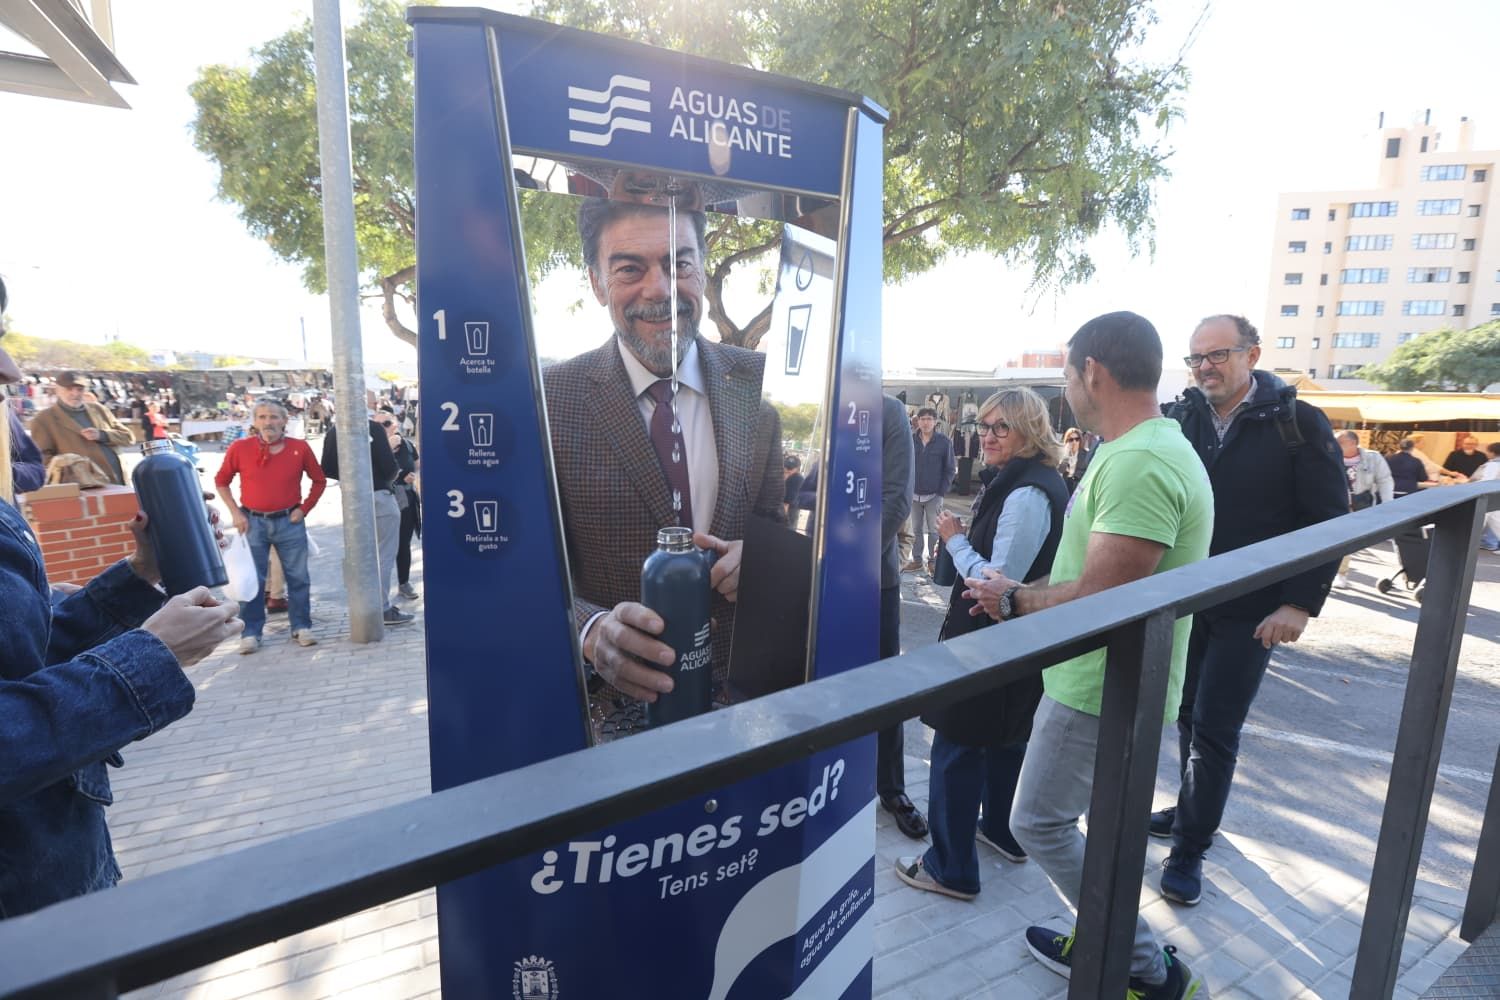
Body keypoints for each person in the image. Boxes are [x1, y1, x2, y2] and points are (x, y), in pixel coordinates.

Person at [967, 311, 1211, 1000]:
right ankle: (1109, 931)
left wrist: (1017, 603)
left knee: (1036, 822)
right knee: (1094, 824)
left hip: (1098, 685)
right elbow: (1090, 568)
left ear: (1092, 373)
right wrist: (1019, 590)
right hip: (1110, 679)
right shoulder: (1145, 446)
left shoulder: (1140, 459)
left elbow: (1108, 590)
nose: (1065, 388)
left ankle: (1141, 966)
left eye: (1067, 375)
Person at [0, 274, 242, 918]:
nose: (8, 370)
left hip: (55, 871)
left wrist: (136, 579)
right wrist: (147, 658)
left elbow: (22, 662)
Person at [542, 197, 783, 733]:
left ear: (702, 263)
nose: (659, 289)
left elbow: (774, 523)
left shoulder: (759, 384)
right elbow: (529, 566)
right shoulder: (550, 399)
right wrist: (589, 630)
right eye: (630, 268)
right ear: (597, 283)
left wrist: (762, 562)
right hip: (614, 716)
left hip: (747, 705)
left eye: (679, 263)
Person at [1151, 314, 1348, 908]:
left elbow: (1328, 521)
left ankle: (1189, 850)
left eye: (1217, 355)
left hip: (1253, 610)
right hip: (1187, 603)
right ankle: (1190, 810)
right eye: (1196, 358)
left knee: (1214, 729)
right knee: (1186, 716)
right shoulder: (1181, 418)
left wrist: (1298, 603)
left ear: (1252, 354)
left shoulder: (1298, 423)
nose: (1205, 366)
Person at [894, 387, 1067, 900]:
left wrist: (953, 540)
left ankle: (950, 867)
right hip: (1015, 640)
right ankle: (1000, 831)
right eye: (984, 427)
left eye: (1001, 428)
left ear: (1029, 432)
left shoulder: (1028, 492)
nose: (987, 437)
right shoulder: (1027, 482)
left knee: (957, 742)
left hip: (992, 636)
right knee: (1003, 740)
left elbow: (998, 583)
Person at [215, 400, 326, 652]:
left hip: (290, 521)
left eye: (274, 417)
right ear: (255, 421)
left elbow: (319, 481)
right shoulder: (240, 448)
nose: (268, 422)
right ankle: (251, 632)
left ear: (285, 421)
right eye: (263, 417)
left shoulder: (300, 448)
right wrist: (235, 513)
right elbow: (221, 480)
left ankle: (301, 626)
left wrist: (304, 509)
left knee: (298, 578)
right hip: (252, 522)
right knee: (252, 579)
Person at [875, 393, 926, 840]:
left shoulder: (888, 411)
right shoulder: (814, 401)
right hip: (809, 572)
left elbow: (896, 498)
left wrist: (847, 564)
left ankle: (890, 788)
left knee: (884, 688)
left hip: (872, 577)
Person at [320, 416, 413, 626]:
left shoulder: (335, 429)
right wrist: (382, 477)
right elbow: (390, 468)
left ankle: (364, 608)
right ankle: (381, 608)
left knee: (361, 555)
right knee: (384, 555)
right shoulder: (372, 427)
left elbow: (326, 467)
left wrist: (351, 477)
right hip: (379, 495)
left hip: (353, 499)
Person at [28, 371, 134, 485]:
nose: (75, 393)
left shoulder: (99, 409)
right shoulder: (44, 419)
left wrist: (102, 435)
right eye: (69, 389)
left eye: (79, 389)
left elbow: (129, 438)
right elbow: (42, 458)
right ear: (58, 390)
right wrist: (72, 469)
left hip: (118, 480)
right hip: (85, 486)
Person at [1334, 430, 1395, 588]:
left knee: (1346, 540)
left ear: (1353, 443)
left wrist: (1388, 504)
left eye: (1340, 442)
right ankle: (1337, 572)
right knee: (1336, 539)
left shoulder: (1372, 458)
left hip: (1359, 505)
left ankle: (1341, 573)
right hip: (1335, 505)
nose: (1336, 445)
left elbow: (1384, 480)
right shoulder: (1331, 456)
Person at [904, 406, 955, 574]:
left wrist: (941, 492)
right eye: (922, 419)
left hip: (934, 494)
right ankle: (917, 560)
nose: (925, 422)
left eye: (929, 419)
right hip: (913, 494)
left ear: (935, 422)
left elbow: (949, 469)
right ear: (917, 421)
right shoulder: (910, 440)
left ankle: (933, 560)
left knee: (934, 530)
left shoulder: (944, 442)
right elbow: (903, 465)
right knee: (916, 529)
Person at [381, 412, 422, 601]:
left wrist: (413, 478)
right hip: (384, 499)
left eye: (387, 423)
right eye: (378, 424)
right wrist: (398, 477)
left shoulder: (407, 445)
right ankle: (379, 592)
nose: (383, 427)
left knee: (404, 543)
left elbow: (417, 464)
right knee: (385, 546)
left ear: (396, 424)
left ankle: (404, 583)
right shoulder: (374, 448)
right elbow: (374, 474)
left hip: (406, 499)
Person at [1058, 426, 1086, 493]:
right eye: (1071, 440)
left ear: (1080, 440)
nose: (1074, 442)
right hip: (1065, 486)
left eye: (1077, 439)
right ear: (1067, 441)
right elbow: (1060, 471)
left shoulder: (1085, 455)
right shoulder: (1063, 455)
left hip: (1078, 489)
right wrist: (1066, 455)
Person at [782, 454, 804, 524]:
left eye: (790, 468)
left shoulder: (797, 479)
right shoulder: (781, 473)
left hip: (790, 510)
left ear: (797, 469)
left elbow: (786, 503)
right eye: (786, 466)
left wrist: (783, 519)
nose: (787, 469)